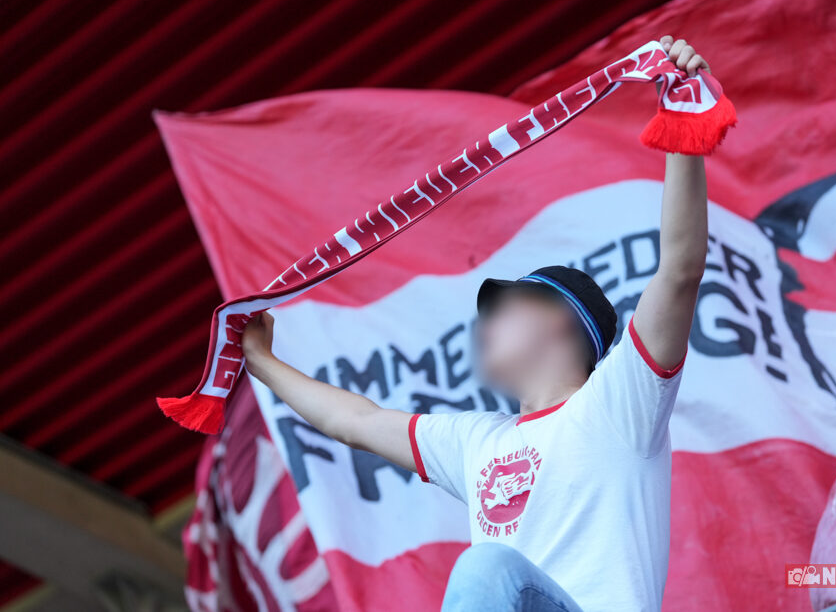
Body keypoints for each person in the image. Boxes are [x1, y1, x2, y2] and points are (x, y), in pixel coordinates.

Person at [241, 35, 710, 612]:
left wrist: (682, 122)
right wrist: (261, 361)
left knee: (485, 565)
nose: (483, 324)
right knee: (485, 571)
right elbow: (353, 420)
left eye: (505, 307)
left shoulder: (619, 401)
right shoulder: (476, 441)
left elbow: (680, 269)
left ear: (562, 320)